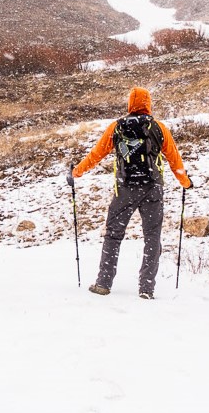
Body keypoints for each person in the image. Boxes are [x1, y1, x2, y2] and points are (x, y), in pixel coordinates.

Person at [68, 86, 192, 299]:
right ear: (148, 104)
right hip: (153, 189)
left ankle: (103, 284)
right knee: (152, 237)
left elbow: (95, 155)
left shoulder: (116, 128)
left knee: (113, 236)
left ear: (129, 105)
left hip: (124, 190)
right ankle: (146, 288)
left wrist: (76, 173)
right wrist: (186, 182)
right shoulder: (158, 128)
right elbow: (174, 160)